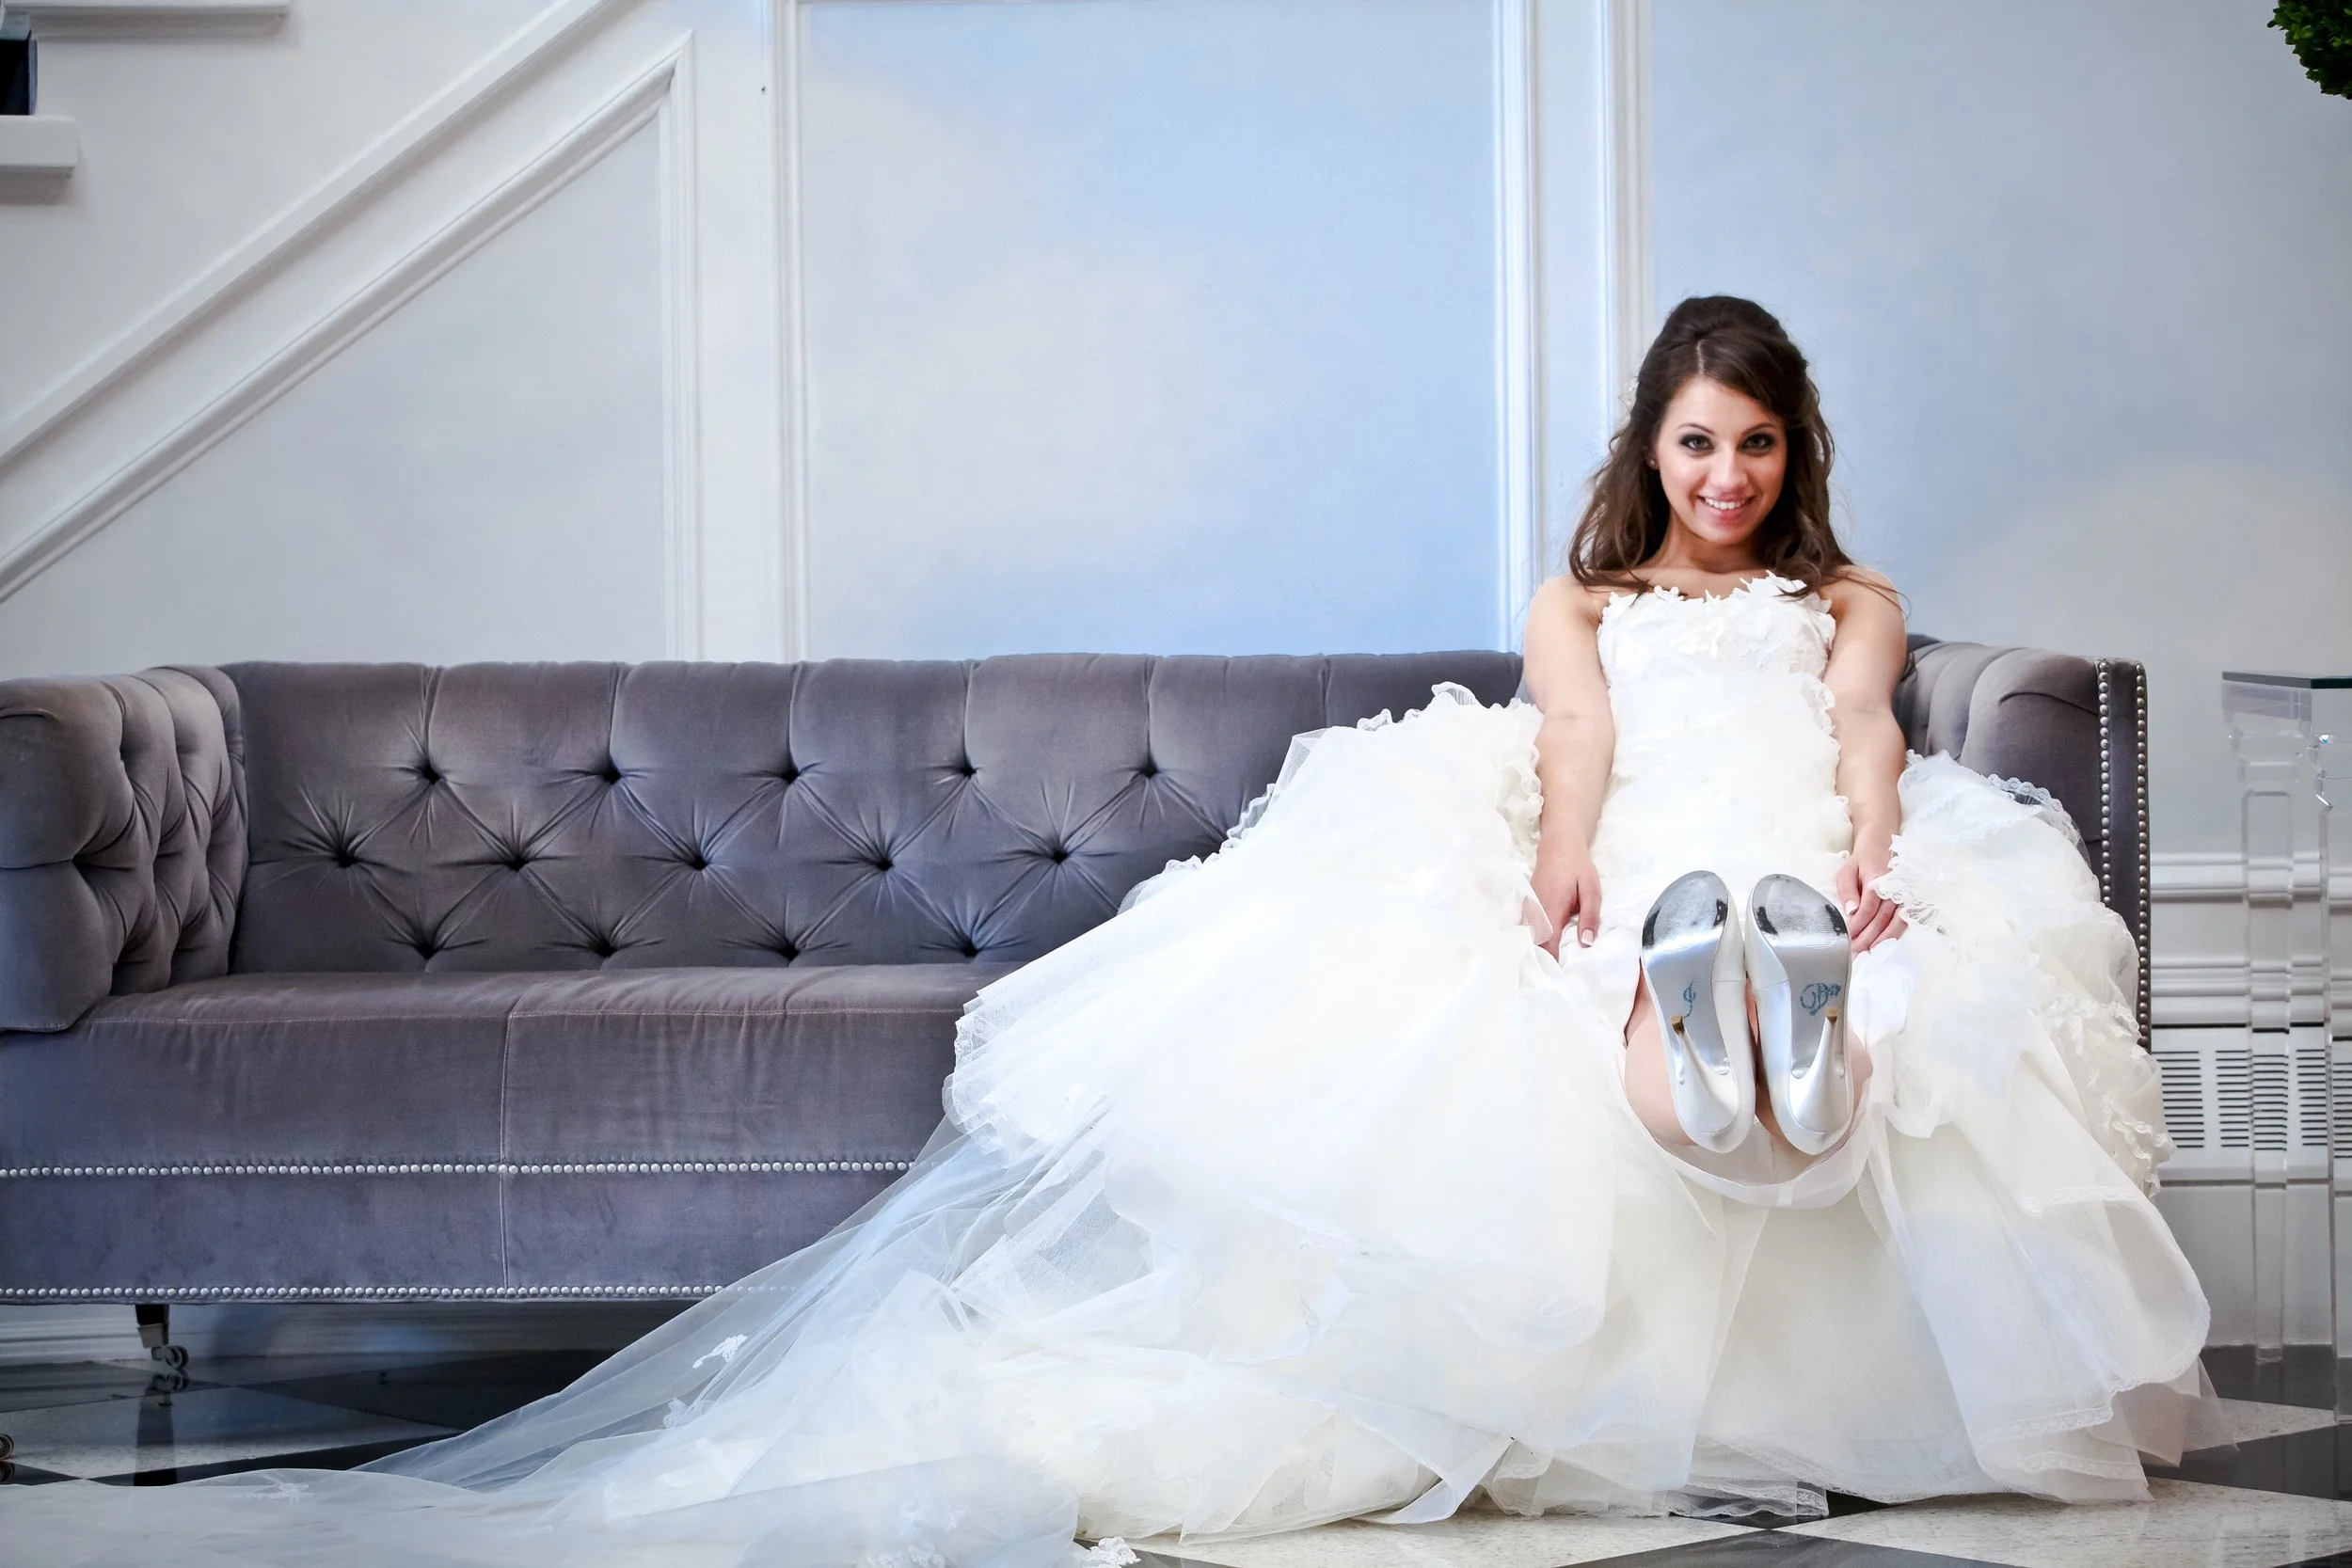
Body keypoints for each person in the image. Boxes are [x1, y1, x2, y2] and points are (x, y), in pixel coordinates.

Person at [0, 296, 2211, 1567]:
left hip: (1800, 842)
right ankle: (1693, 1001)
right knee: (1619, 1006)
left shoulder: (1852, 606)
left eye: (1754, 447)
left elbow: (1860, 733)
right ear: (1651, 449)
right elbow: (1565, 750)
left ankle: (1778, 995)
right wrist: (1558, 890)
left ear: (1794, 454)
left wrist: (1881, 841)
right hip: (1648, 845)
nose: (1723, 475)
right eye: (1693, 443)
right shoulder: (1587, 604)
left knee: (1886, 967)